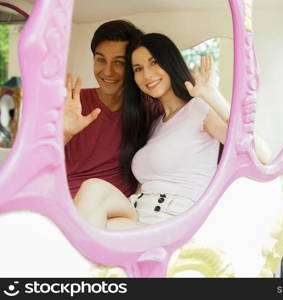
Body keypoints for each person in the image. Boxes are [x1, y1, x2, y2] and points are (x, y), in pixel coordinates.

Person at [74, 33, 229, 229]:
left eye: (154, 62)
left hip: (170, 218)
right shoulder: (155, 124)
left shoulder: (200, 110)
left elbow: (258, 152)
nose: (146, 75)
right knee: (92, 188)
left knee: (90, 236)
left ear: (170, 62)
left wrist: (213, 97)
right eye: (138, 69)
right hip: (138, 212)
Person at [64, 20, 163, 198]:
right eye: (101, 60)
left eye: (119, 63)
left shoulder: (151, 110)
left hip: (116, 209)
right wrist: (64, 133)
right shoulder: (71, 104)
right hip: (65, 203)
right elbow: (31, 163)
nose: (108, 72)